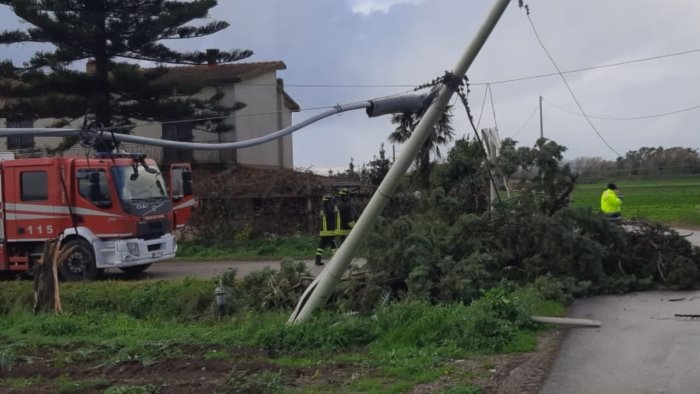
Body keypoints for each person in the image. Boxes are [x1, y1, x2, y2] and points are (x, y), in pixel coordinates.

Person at [315, 194, 337, 266]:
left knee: (321, 246)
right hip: (330, 230)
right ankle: (336, 260)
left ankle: (317, 260)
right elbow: (336, 212)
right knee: (333, 246)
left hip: (323, 231)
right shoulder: (331, 208)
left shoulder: (323, 208)